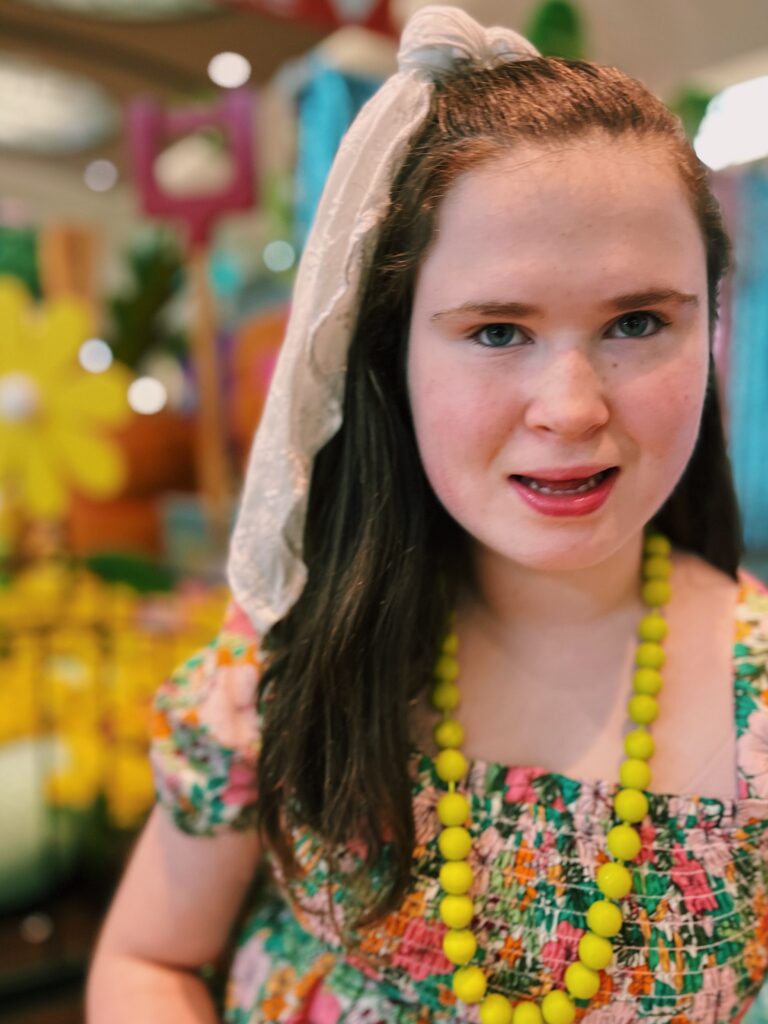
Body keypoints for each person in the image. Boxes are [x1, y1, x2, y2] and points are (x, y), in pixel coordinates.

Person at [86, 6, 768, 1023]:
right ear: (391, 354)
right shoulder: (287, 655)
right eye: (498, 330)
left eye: (637, 321)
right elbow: (149, 959)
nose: (574, 407)